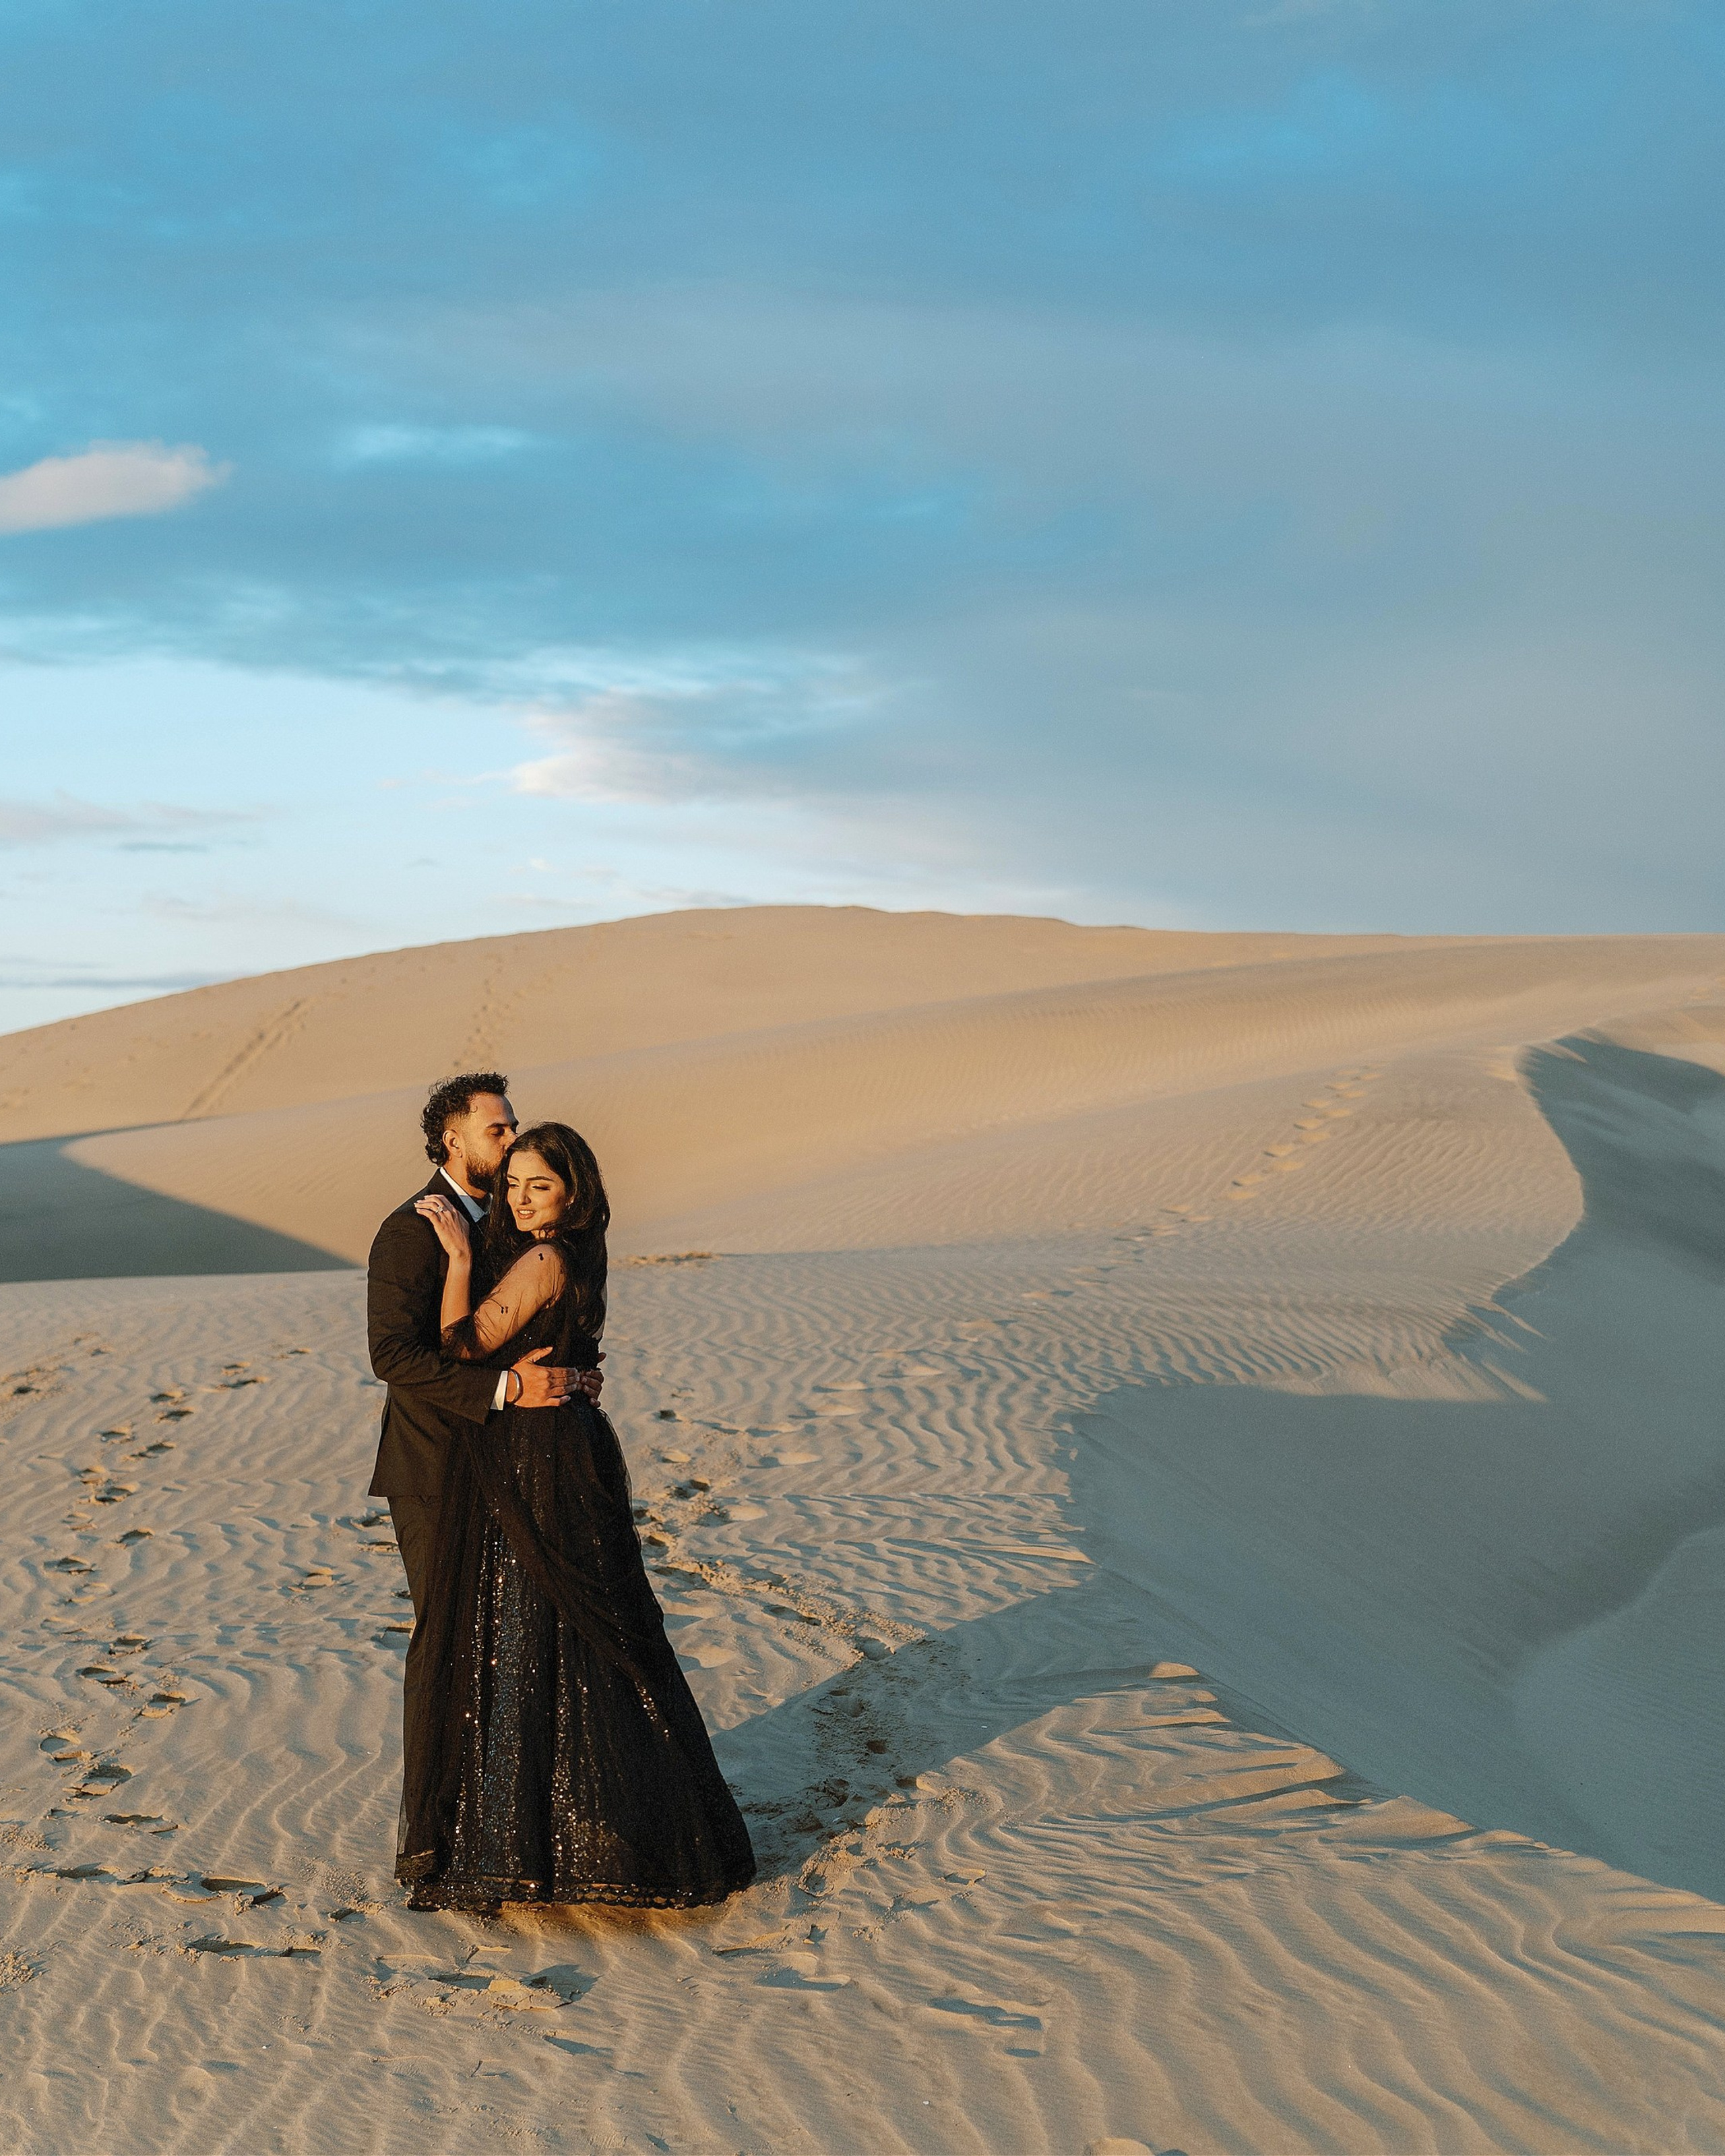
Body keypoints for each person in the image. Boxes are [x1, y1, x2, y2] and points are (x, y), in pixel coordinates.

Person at [398, 1118, 756, 1913]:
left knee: (532, 1628)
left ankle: (540, 1840)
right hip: (561, 1442)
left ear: (572, 1192)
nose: (521, 1200)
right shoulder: (578, 1249)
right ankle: (578, 1825)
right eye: (514, 1183)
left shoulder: (547, 1256)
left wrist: (458, 1258)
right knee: (568, 1629)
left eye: (540, 1186)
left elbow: (459, 1345)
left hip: (536, 1454)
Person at [367, 1073, 600, 1875]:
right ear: (450, 1141)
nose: (509, 1143)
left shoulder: (508, 1223)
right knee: (443, 1648)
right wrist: (508, 1388)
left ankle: (504, 1822)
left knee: (511, 1642)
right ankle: (433, 1843)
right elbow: (392, 1355)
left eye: (513, 1128)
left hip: (511, 1466)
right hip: (435, 1468)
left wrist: (571, 1373)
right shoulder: (411, 1229)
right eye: (495, 1132)